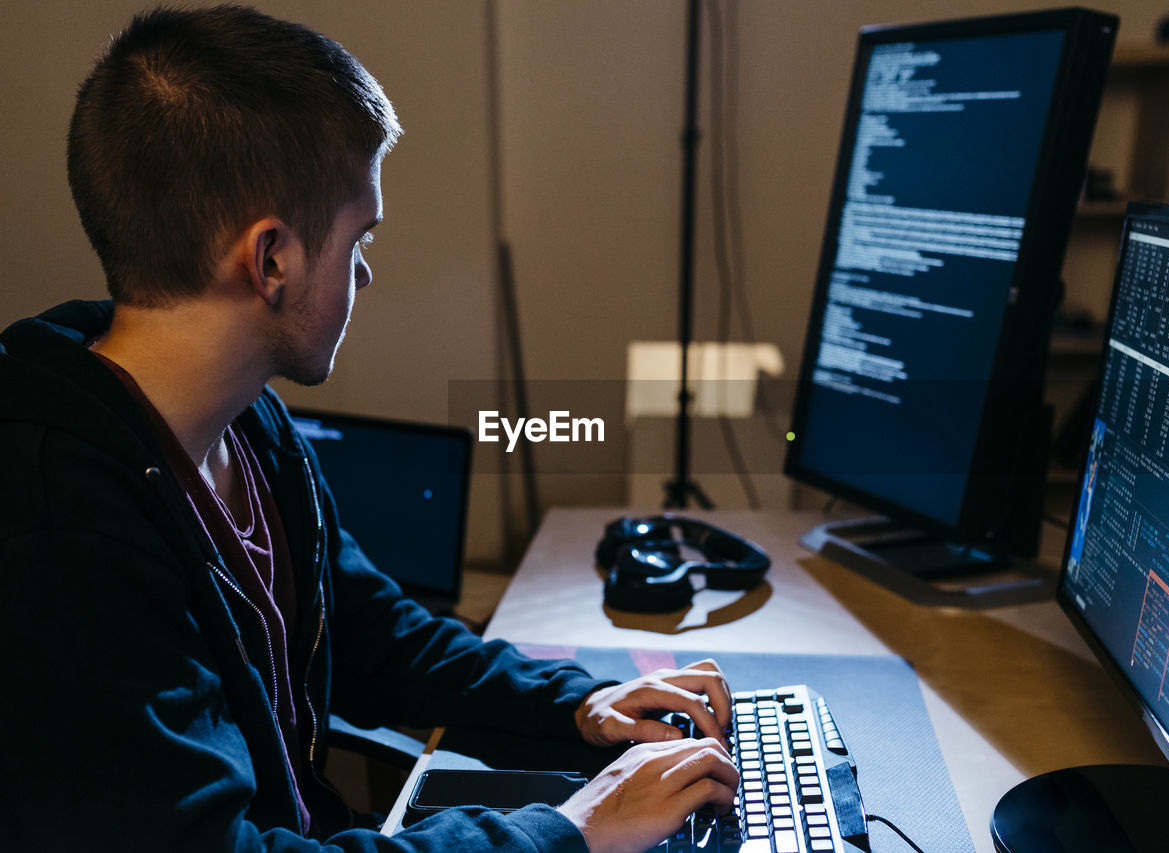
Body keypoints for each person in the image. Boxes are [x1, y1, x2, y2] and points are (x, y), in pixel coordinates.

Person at [0, 6, 737, 852]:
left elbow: (365, 633)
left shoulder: (247, 426)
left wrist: (572, 702)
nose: (366, 270)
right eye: (360, 237)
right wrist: (563, 830)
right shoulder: (59, 534)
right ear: (270, 259)